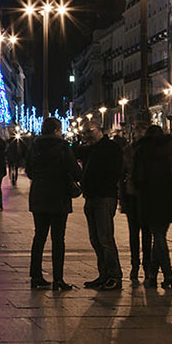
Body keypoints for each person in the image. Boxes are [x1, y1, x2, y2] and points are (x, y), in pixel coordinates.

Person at [25, 115, 82, 291]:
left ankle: (36, 276)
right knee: (58, 240)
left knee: (39, 237)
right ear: (57, 130)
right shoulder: (62, 146)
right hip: (58, 197)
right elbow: (75, 171)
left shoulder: (34, 146)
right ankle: (58, 279)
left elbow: (29, 170)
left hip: (39, 196)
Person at [131, 121, 172, 288]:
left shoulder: (141, 150)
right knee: (160, 235)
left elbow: (136, 177)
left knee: (158, 236)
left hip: (148, 198)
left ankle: (168, 274)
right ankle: (153, 274)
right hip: (167, 197)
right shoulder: (171, 150)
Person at [79, 121, 124, 290]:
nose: (86, 136)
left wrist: (100, 185)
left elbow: (115, 172)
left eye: (89, 132)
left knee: (105, 238)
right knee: (95, 238)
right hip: (90, 197)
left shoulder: (111, 148)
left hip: (104, 196)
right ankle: (103, 274)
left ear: (99, 130)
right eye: (84, 133)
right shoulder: (90, 149)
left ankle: (114, 275)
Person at [119, 127, 152, 285]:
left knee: (138, 234)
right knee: (143, 234)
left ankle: (139, 266)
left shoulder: (128, 151)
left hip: (135, 196)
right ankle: (142, 266)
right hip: (138, 196)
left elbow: (122, 175)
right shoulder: (144, 151)